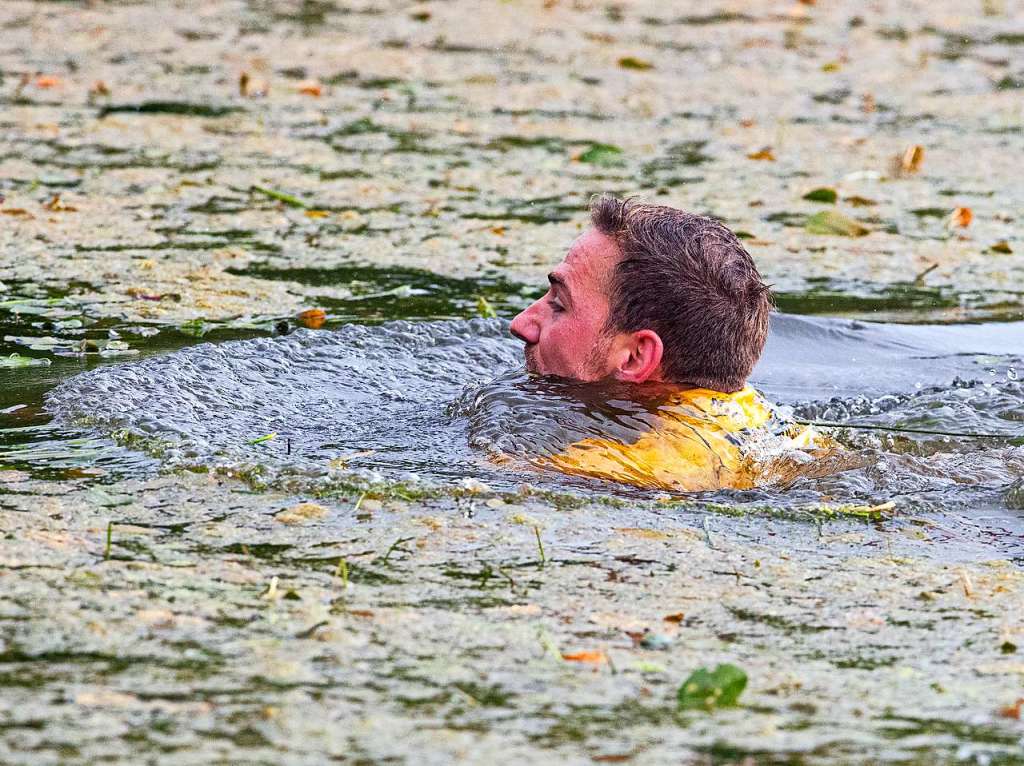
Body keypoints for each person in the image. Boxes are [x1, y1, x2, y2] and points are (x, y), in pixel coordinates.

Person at [508, 195, 825, 491]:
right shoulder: (789, 439)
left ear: (635, 356)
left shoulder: (605, 470)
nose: (521, 324)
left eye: (560, 305)